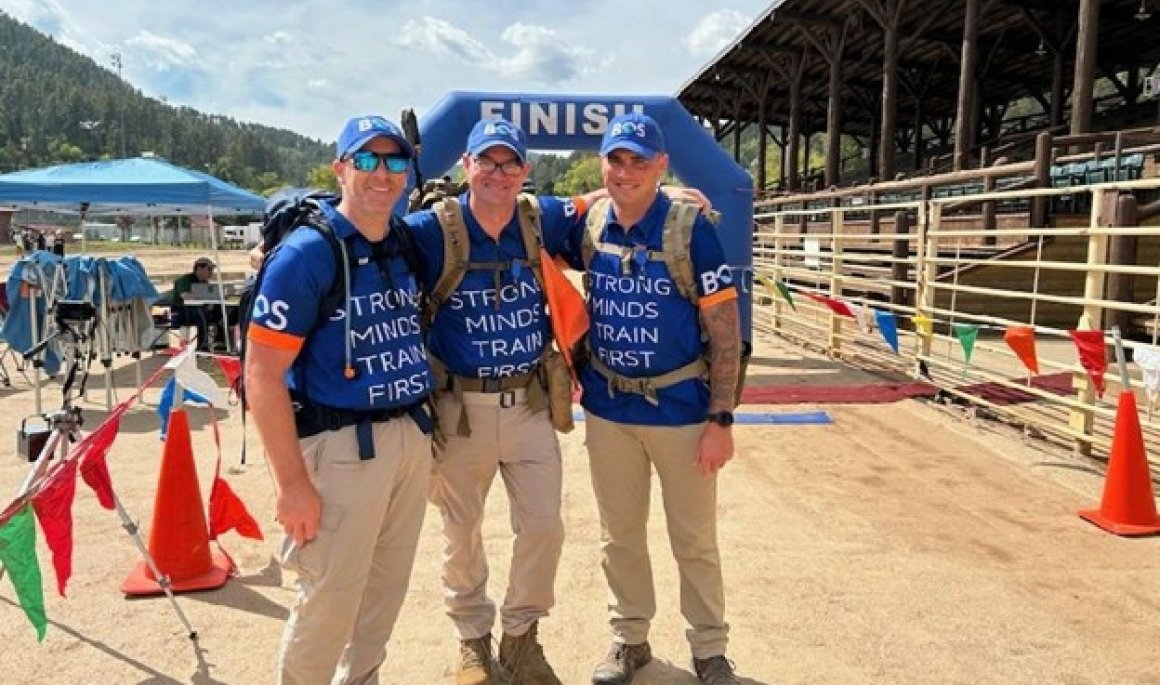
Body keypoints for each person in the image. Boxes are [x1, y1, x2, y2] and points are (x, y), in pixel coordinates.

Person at [404, 118, 598, 685]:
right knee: (460, 532)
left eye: (509, 162)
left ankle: (520, 639)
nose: (497, 173)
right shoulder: (431, 229)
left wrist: (673, 194)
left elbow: (595, 202)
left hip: (529, 404)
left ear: (524, 170)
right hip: (457, 409)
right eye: (486, 162)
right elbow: (369, 239)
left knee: (544, 526)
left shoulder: (539, 218)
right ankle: (472, 641)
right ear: (466, 166)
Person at [244, 114, 435, 685]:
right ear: (340, 169)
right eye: (367, 159)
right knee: (329, 598)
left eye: (394, 160)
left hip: (408, 439)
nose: (382, 173)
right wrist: (292, 485)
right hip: (340, 449)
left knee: (384, 593)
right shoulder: (307, 254)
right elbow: (262, 375)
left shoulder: (403, 240)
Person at [579, 113, 743, 685]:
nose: (626, 172)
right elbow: (525, 215)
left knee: (693, 538)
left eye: (639, 161)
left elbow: (726, 330)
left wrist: (721, 418)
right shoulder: (590, 223)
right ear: (603, 164)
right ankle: (630, 639)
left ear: (661, 165)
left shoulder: (690, 228)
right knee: (619, 535)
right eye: (616, 160)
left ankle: (709, 649)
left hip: (681, 410)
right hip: (608, 409)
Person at [170, 256, 234, 351]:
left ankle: (221, 343)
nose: (211, 272)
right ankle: (203, 346)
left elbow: (208, 297)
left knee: (224, 312)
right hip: (182, 312)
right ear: (199, 268)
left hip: (198, 310)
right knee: (202, 313)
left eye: (212, 269)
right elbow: (185, 296)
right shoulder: (185, 280)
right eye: (209, 269)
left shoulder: (204, 282)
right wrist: (207, 297)